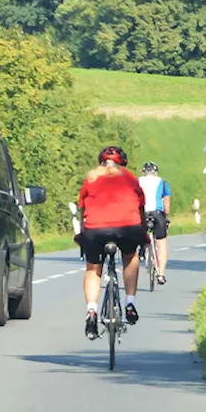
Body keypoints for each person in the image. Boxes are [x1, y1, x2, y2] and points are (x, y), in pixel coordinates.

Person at [77, 145, 146, 338]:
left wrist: (84, 234)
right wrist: (144, 236)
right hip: (127, 228)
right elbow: (141, 206)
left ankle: (91, 311)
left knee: (93, 268)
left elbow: (82, 208)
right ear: (122, 163)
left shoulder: (91, 178)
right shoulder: (130, 178)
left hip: (95, 230)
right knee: (130, 258)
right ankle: (130, 302)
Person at [137, 162, 172, 285]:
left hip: (142, 213)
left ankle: (142, 249)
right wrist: (166, 218)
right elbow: (166, 203)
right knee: (162, 244)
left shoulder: (137, 181)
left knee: (138, 233)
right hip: (157, 214)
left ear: (143, 172)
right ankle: (161, 274)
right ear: (156, 173)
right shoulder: (162, 182)